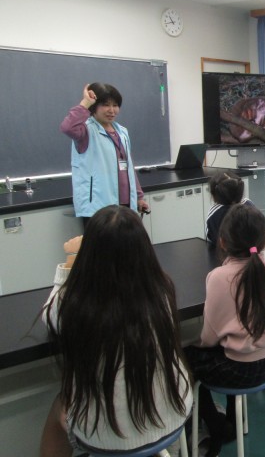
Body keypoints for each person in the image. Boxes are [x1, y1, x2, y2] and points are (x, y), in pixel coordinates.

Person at [39, 205, 192, 456]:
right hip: (171, 417)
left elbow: (49, 314)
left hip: (105, 436)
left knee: (59, 409)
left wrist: (69, 263)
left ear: (90, 255)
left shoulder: (75, 305)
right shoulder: (161, 291)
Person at [184, 204, 265, 457]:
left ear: (222, 242)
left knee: (186, 357)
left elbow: (209, 337)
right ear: (264, 241)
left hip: (241, 371)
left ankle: (214, 424)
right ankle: (234, 419)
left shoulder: (219, 277)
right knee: (232, 348)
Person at [60, 83, 149, 222]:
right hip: (98, 207)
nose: (111, 110)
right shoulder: (86, 130)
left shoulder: (122, 132)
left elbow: (128, 167)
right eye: (106, 105)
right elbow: (67, 128)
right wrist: (85, 102)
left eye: (115, 105)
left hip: (125, 205)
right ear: (94, 106)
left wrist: (138, 197)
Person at [204, 170, 253, 248]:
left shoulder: (215, 213)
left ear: (214, 195)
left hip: (225, 253)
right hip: (253, 251)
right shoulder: (249, 204)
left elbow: (211, 237)